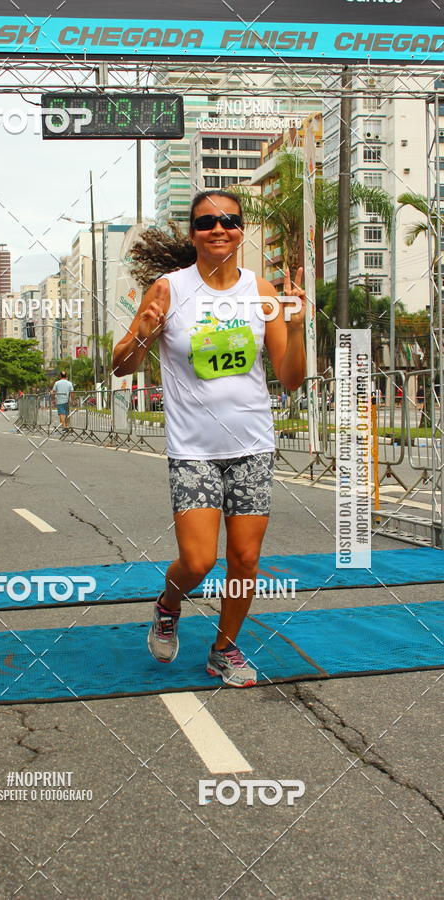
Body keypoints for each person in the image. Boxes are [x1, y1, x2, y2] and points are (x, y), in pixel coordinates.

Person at [113, 190, 306, 687]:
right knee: (199, 561)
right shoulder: (167, 290)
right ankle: (168, 602)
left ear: (241, 229)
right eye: (206, 223)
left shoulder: (262, 291)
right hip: (194, 449)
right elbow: (119, 365)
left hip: (252, 446)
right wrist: (143, 335)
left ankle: (225, 648)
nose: (218, 229)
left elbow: (290, 379)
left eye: (229, 221)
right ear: (193, 233)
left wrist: (297, 326)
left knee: (245, 559)